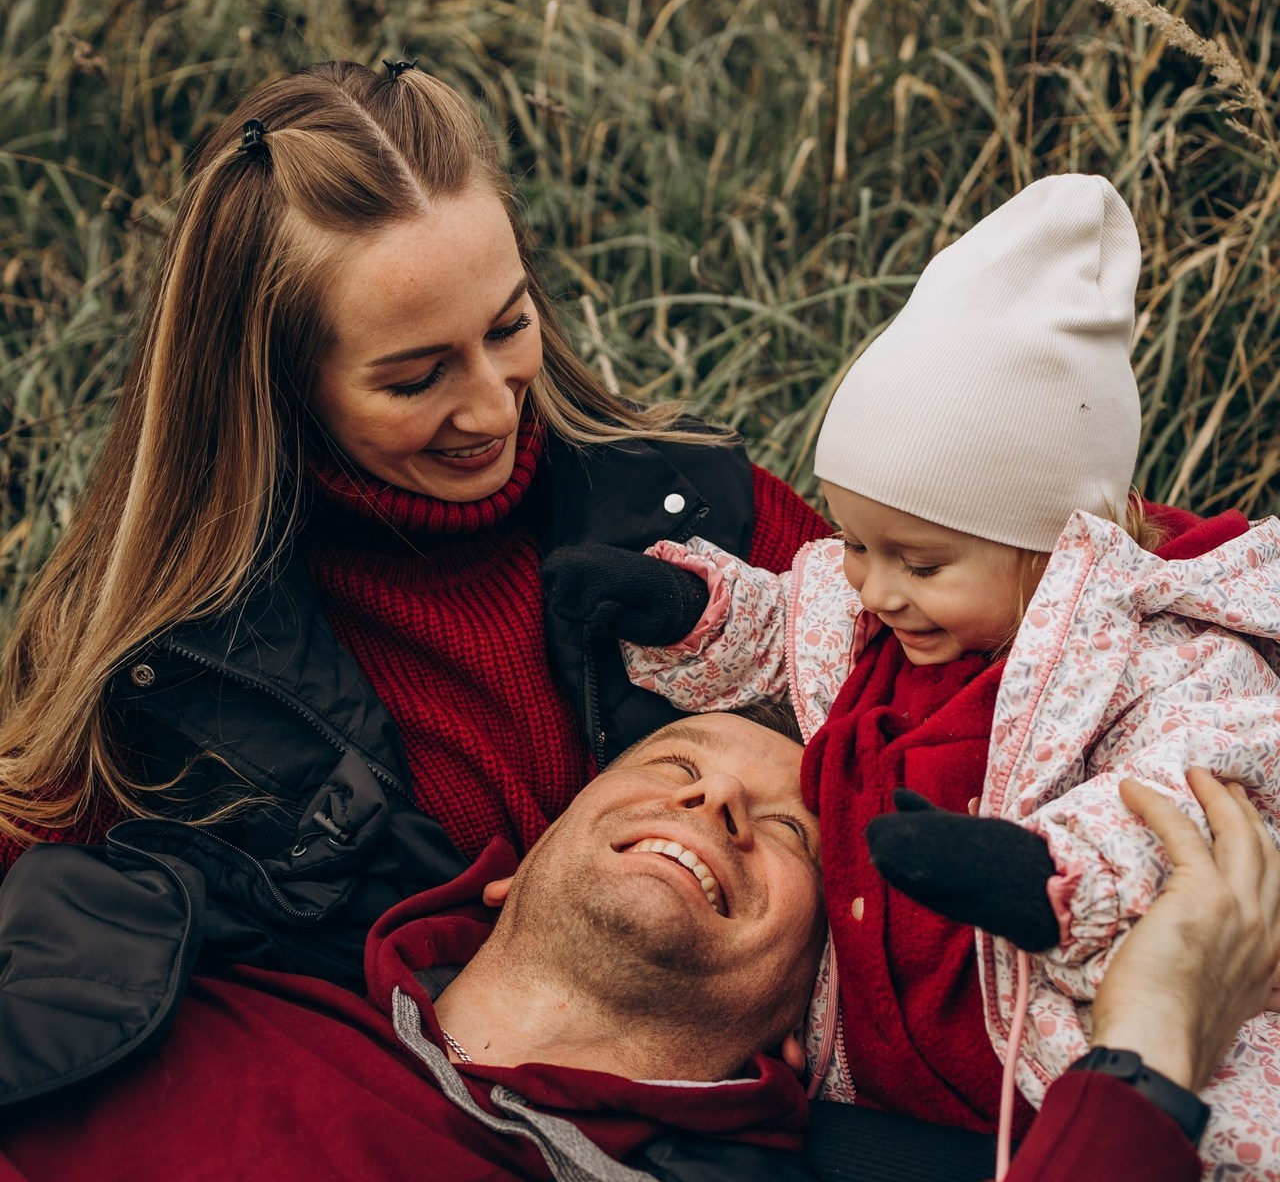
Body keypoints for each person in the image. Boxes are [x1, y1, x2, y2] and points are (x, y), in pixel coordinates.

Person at [0, 60, 827, 985]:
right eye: (415, 378)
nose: (493, 409)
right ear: (275, 383)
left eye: (508, 328)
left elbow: (944, 717)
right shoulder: (171, 672)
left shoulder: (698, 506)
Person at [543, 175, 1280, 1171]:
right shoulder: (878, 612)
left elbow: (1191, 800)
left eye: (921, 562)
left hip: (1059, 1062)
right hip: (873, 1080)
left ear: (1057, 544)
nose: (876, 589)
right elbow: (782, 620)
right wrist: (686, 614)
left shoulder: (1164, 659)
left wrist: (1051, 877)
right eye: (853, 541)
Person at [2, 717, 1276, 1182]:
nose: (715, 805)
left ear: (800, 1018)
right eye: (670, 767)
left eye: (786, 832)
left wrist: (1151, 1040)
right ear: (508, 866)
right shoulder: (189, 957)